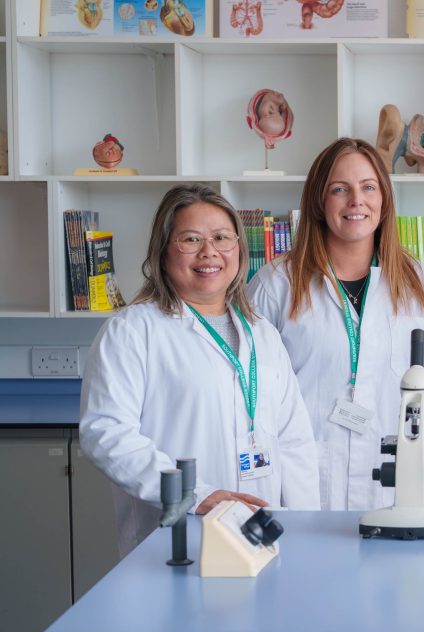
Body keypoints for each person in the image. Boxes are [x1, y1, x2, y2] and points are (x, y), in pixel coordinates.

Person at [80, 184, 320, 553]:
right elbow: (106, 433)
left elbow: (294, 440)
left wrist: (306, 531)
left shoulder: (262, 333)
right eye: (191, 239)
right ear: (163, 253)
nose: (209, 252)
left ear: (238, 249)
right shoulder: (132, 330)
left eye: (222, 238)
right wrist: (194, 494)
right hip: (176, 539)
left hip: (262, 538)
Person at [248, 137, 424, 511]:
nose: (356, 201)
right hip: (304, 491)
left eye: (368, 187)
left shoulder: (421, 287)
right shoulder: (275, 286)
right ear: (319, 201)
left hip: (397, 492)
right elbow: (253, 400)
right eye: (340, 189)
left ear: (384, 199)